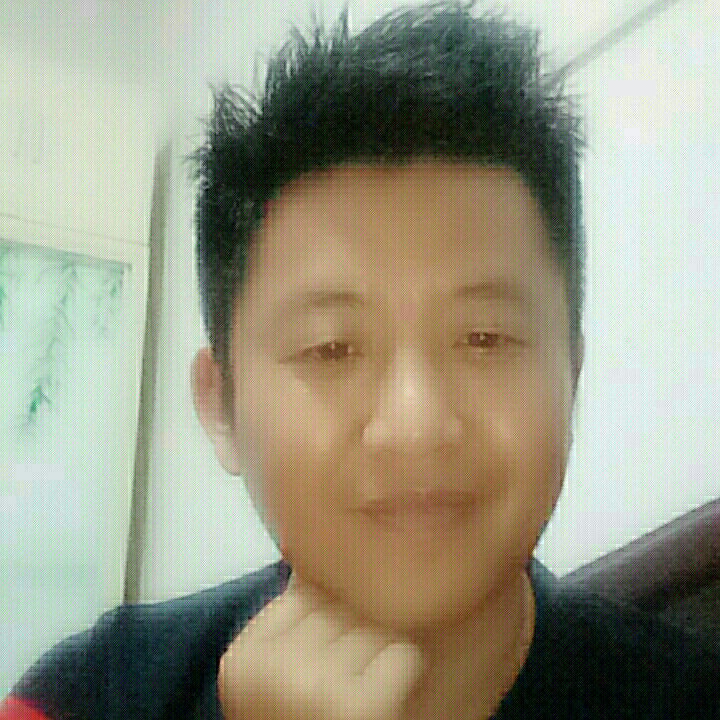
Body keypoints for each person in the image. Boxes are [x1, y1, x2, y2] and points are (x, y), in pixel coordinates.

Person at [3, 2, 719, 719]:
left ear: (571, 375)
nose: (417, 424)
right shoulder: (83, 697)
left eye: (484, 338)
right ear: (221, 406)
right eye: (332, 348)